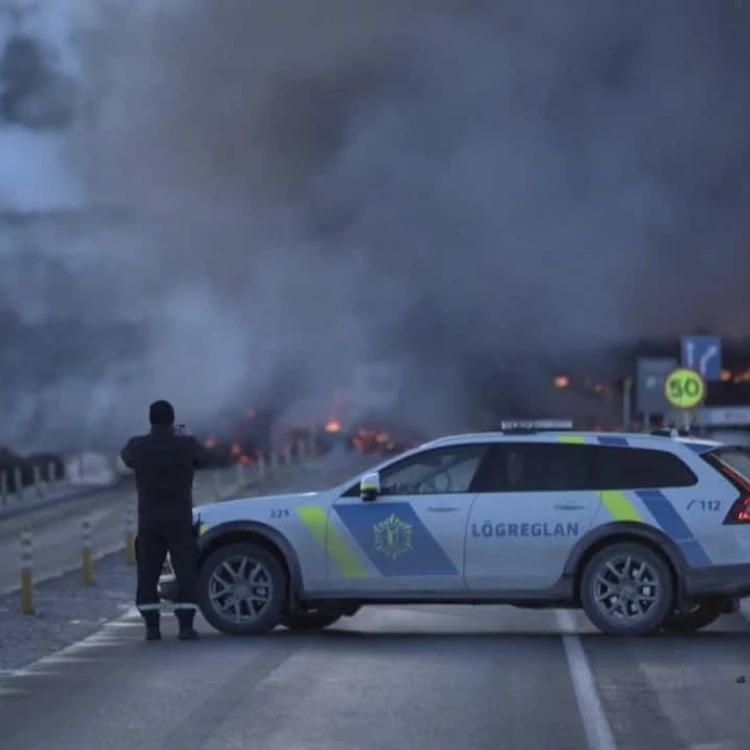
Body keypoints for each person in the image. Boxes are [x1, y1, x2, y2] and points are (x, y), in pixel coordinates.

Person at [121, 400, 208, 641]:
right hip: (179, 521)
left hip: (149, 522)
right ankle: (186, 627)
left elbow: (125, 457)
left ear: (151, 420)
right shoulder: (186, 445)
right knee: (186, 573)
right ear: (172, 420)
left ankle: (151, 628)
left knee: (148, 574)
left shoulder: (138, 446)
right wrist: (185, 436)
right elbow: (203, 459)